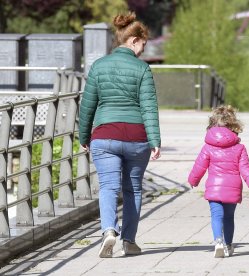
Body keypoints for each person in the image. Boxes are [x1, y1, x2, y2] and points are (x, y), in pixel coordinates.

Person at [78, 12, 161, 258]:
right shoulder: (143, 68)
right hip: (137, 138)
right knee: (133, 189)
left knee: (108, 188)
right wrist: (155, 141)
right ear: (134, 40)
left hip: (104, 136)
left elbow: (88, 105)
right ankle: (129, 241)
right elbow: (149, 107)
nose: (143, 50)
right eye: (143, 45)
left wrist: (84, 136)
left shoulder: (99, 66)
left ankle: (108, 231)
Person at [188, 105, 249, 258]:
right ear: (233, 125)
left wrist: (193, 180)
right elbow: (245, 167)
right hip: (232, 188)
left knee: (216, 215)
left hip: (214, 188)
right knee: (229, 217)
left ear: (212, 125)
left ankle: (218, 241)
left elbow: (199, 166)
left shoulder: (208, 147)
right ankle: (228, 245)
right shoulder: (239, 147)